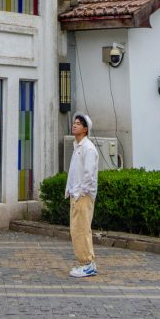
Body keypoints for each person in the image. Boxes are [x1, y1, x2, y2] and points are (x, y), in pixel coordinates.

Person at [65, 112, 98, 278]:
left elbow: (89, 175)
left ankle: (87, 264)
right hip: (76, 194)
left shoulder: (88, 148)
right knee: (76, 230)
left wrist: (81, 193)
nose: (74, 125)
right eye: (74, 123)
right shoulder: (77, 147)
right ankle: (85, 263)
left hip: (83, 196)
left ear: (85, 129)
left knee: (82, 230)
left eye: (78, 123)